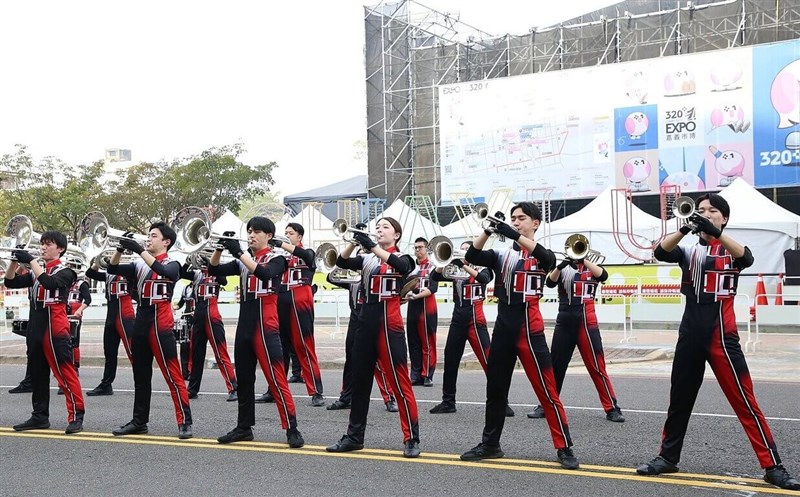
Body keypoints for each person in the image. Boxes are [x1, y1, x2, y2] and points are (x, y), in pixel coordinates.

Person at [636, 193, 799, 491]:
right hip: (689, 335)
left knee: (745, 402)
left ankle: (773, 466)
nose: (705, 214)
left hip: (722, 337)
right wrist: (686, 227)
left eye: (712, 211)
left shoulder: (730, 250)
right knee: (679, 401)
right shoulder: (687, 251)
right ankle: (667, 457)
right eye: (700, 210)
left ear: (724, 218)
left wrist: (717, 233)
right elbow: (661, 251)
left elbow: (746, 258)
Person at [459, 203, 579, 470]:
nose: (515, 222)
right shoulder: (501, 254)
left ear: (535, 223)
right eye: (513, 219)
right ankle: (490, 444)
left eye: (521, 218)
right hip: (503, 326)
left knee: (547, 391)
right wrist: (489, 230)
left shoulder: (542, 253)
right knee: (496, 389)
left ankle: (564, 447)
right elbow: (474, 256)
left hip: (530, 328)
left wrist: (514, 235)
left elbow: (549, 261)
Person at [326, 217, 421, 458]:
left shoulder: (404, 257)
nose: (379, 230)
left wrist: (373, 247)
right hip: (365, 321)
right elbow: (341, 262)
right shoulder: (367, 259)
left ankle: (411, 437)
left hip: (389, 324)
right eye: (377, 228)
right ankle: (354, 436)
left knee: (400, 382)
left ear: (396, 235)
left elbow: (404, 268)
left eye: (385, 227)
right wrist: (354, 241)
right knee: (360, 383)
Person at [209, 217, 304, 448]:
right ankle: (243, 427)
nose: (251, 235)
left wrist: (240, 253)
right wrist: (221, 248)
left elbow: (265, 274)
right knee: (244, 379)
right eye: (249, 231)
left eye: (257, 232)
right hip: (245, 325)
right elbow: (213, 269)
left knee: (276, 377)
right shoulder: (245, 260)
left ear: (268, 236)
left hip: (267, 324)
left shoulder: (278, 257)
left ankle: (292, 427)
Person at [108, 222, 193, 440]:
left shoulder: (174, 262)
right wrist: (120, 248)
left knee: (172, 374)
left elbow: (164, 271)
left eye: (153, 236)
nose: (149, 238)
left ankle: (184, 420)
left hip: (161, 321)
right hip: (142, 320)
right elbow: (112, 268)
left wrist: (139, 250)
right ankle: (139, 421)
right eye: (148, 235)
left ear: (166, 242)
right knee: (141, 376)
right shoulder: (138, 264)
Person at [527, 254, 624, 422]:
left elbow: (604, 276)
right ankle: (546, 405)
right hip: (564, 320)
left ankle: (612, 408)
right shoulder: (563, 270)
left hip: (587, 322)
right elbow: (549, 282)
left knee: (597, 366)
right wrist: (561, 265)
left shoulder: (592, 268)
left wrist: (583, 260)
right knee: (555, 366)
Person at [5, 231, 84, 434]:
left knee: (65, 371)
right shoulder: (34, 272)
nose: (43, 247)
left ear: (60, 249)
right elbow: (10, 282)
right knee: (38, 374)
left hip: (56, 326)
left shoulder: (67, 272)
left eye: (48, 244)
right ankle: (39, 416)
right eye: (42, 244)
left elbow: (50, 284)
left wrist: (30, 260)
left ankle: (76, 415)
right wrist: (14, 261)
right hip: (36, 326)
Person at [429, 241, 514, 417]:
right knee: (451, 361)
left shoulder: (484, 267)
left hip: (475, 320)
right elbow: (434, 277)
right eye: (463, 250)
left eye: (467, 250)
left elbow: (484, 279)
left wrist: (465, 266)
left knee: (489, 362)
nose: (464, 253)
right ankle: (448, 401)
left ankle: (502, 402)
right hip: (457, 318)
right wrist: (442, 263)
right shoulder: (455, 270)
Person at [325, 241, 398, 413]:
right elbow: (330, 277)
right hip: (355, 321)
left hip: (371, 320)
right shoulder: (352, 280)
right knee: (351, 359)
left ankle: (389, 398)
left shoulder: (376, 276)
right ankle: (346, 397)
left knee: (378, 362)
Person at [273, 223, 325, 406]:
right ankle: (275, 389)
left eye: (290, 233)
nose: (287, 235)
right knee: (279, 348)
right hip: (281, 301)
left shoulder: (307, 252)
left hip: (300, 301)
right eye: (285, 233)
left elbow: (307, 256)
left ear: (299, 237)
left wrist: (281, 244)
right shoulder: (279, 257)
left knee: (304, 345)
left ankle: (316, 391)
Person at [179, 259, 238, 401]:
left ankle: (233, 388)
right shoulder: (197, 274)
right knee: (196, 353)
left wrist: (211, 263)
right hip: (198, 313)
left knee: (220, 352)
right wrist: (188, 261)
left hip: (212, 313)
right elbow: (182, 273)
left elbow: (223, 281)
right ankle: (192, 389)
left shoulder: (216, 272)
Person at [84, 257, 136, 396]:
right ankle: (106, 384)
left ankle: (141, 382)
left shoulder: (130, 272)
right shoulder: (108, 273)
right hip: (111, 314)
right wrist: (96, 262)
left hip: (125, 314)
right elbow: (90, 274)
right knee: (109, 352)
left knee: (133, 351)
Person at [406, 237, 439, 386]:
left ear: (427, 249)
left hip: (427, 307)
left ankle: (427, 375)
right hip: (412, 307)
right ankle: (415, 374)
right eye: (415, 247)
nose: (417, 250)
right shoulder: (411, 268)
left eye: (420, 247)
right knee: (413, 341)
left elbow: (433, 288)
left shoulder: (433, 267)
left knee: (427, 341)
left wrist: (417, 295)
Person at [56, 271, 91, 395]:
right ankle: (63, 373)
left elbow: (88, 299)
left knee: (73, 343)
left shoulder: (81, 284)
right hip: (61, 315)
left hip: (74, 317)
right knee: (62, 344)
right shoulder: (62, 281)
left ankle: (75, 367)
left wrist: (80, 311)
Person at [173, 282, 195, 378]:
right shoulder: (186, 288)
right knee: (184, 347)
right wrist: (174, 307)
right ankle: (185, 372)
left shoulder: (201, 286)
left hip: (196, 319)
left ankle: (192, 371)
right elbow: (181, 303)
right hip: (186, 318)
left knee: (193, 347)